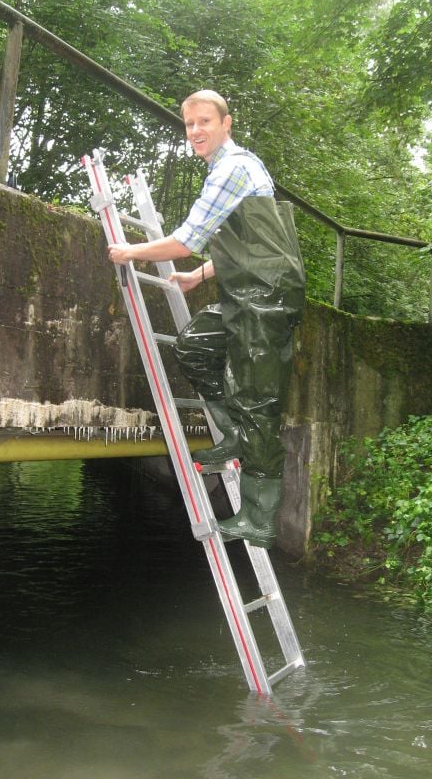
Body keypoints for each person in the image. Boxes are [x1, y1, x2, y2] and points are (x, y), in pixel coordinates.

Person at [108, 89, 305, 549]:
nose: (194, 131)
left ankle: (259, 519)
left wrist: (128, 252)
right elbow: (255, 239)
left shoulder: (231, 169)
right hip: (249, 291)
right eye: (188, 124)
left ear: (226, 123)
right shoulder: (234, 167)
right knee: (194, 345)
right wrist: (200, 275)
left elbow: (186, 239)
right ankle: (234, 433)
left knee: (259, 403)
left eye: (203, 122)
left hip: (266, 298)